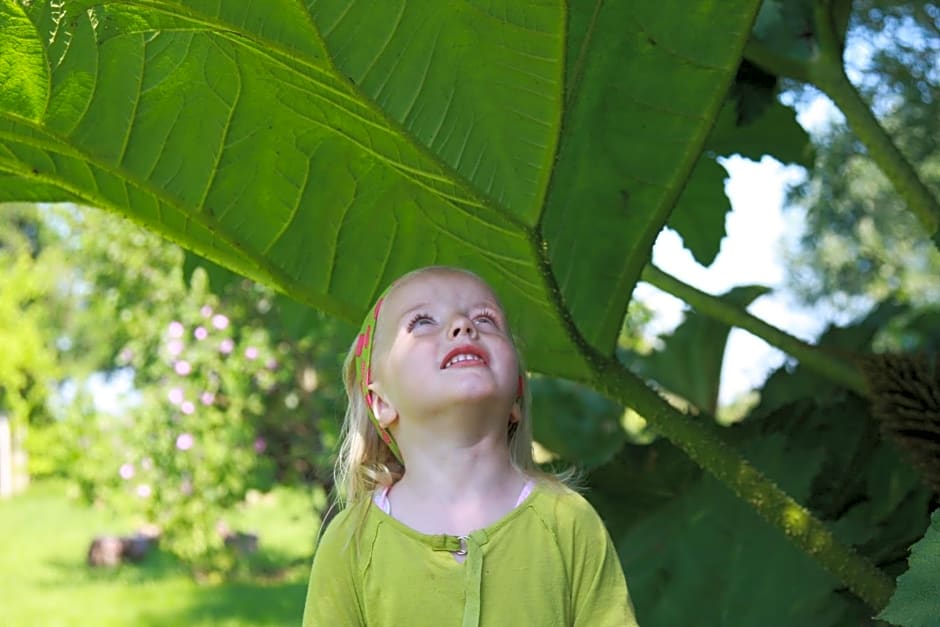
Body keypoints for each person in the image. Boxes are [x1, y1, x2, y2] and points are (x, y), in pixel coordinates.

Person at [303, 266, 638, 626]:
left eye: (486, 319)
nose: (464, 325)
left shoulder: (568, 520)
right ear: (380, 402)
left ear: (516, 398)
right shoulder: (350, 542)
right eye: (421, 321)